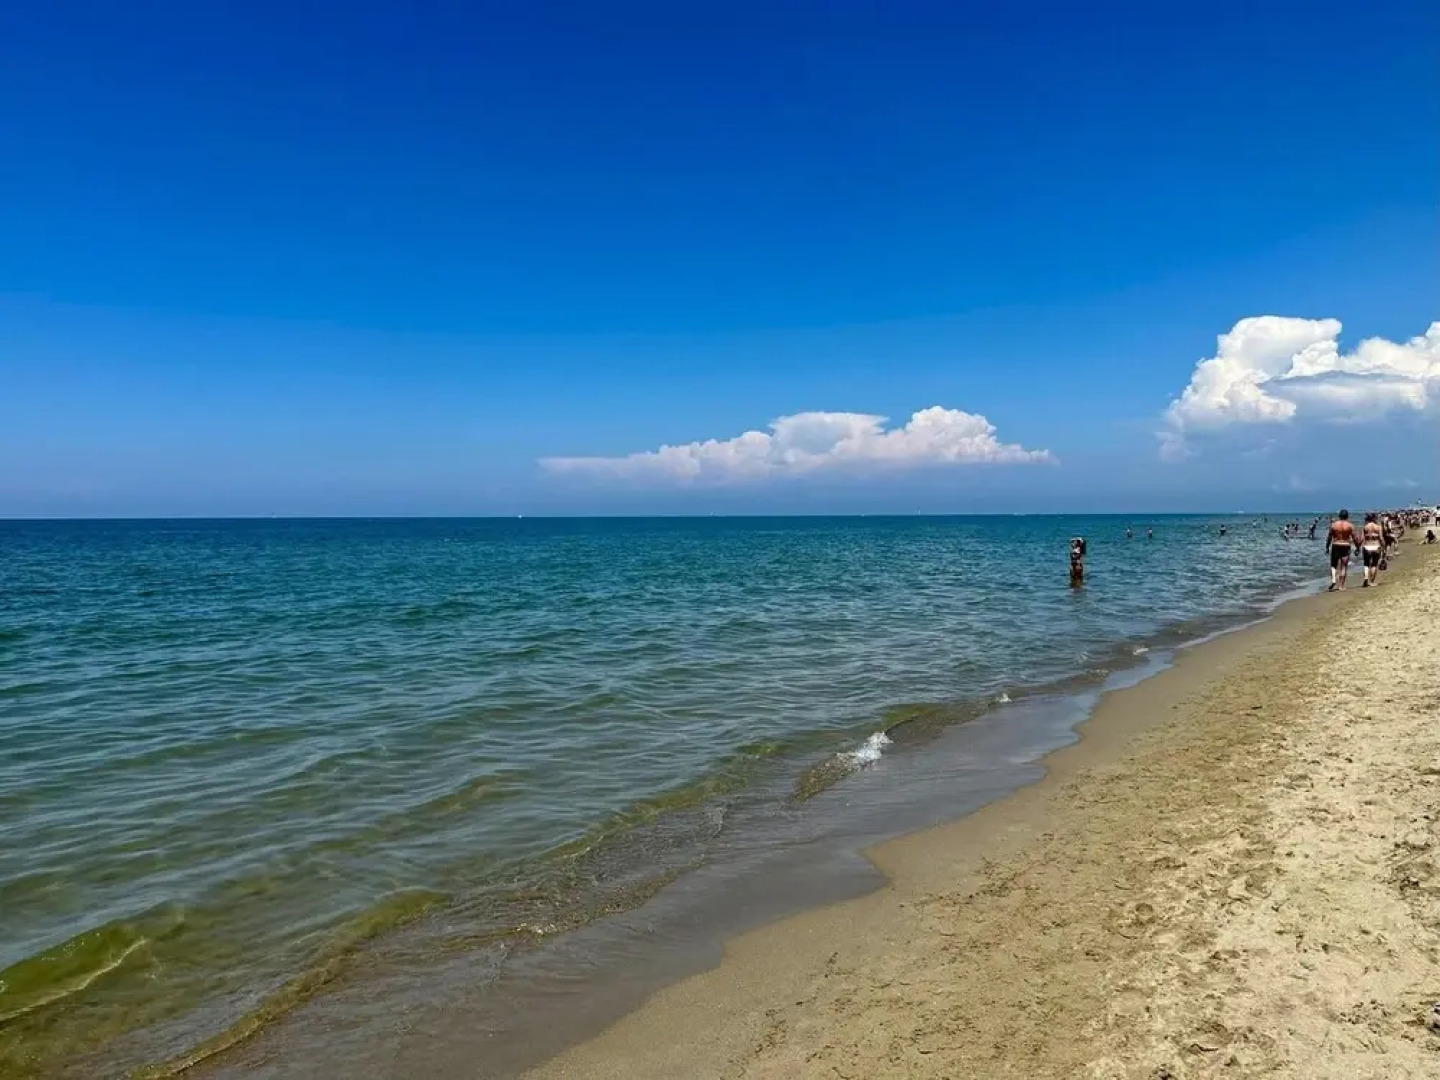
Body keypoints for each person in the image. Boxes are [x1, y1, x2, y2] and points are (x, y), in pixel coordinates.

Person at [1326, 509, 1356, 591]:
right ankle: (1341, 585)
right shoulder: (1350, 525)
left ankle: (1333, 580)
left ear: (1339, 516)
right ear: (1347, 516)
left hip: (1336, 545)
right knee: (1343, 566)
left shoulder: (1333, 525)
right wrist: (1357, 547)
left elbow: (1329, 537)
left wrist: (1327, 547)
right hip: (1346, 545)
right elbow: (1354, 537)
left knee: (1333, 565)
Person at [1359, 513, 1384, 588]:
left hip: (1367, 546)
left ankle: (1366, 577)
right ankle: (1372, 582)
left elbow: (1361, 539)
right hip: (1376, 546)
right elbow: (1381, 538)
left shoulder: (1365, 527)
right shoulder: (1378, 527)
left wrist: (1357, 547)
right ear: (1375, 518)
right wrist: (1383, 547)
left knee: (1366, 564)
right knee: (1374, 564)